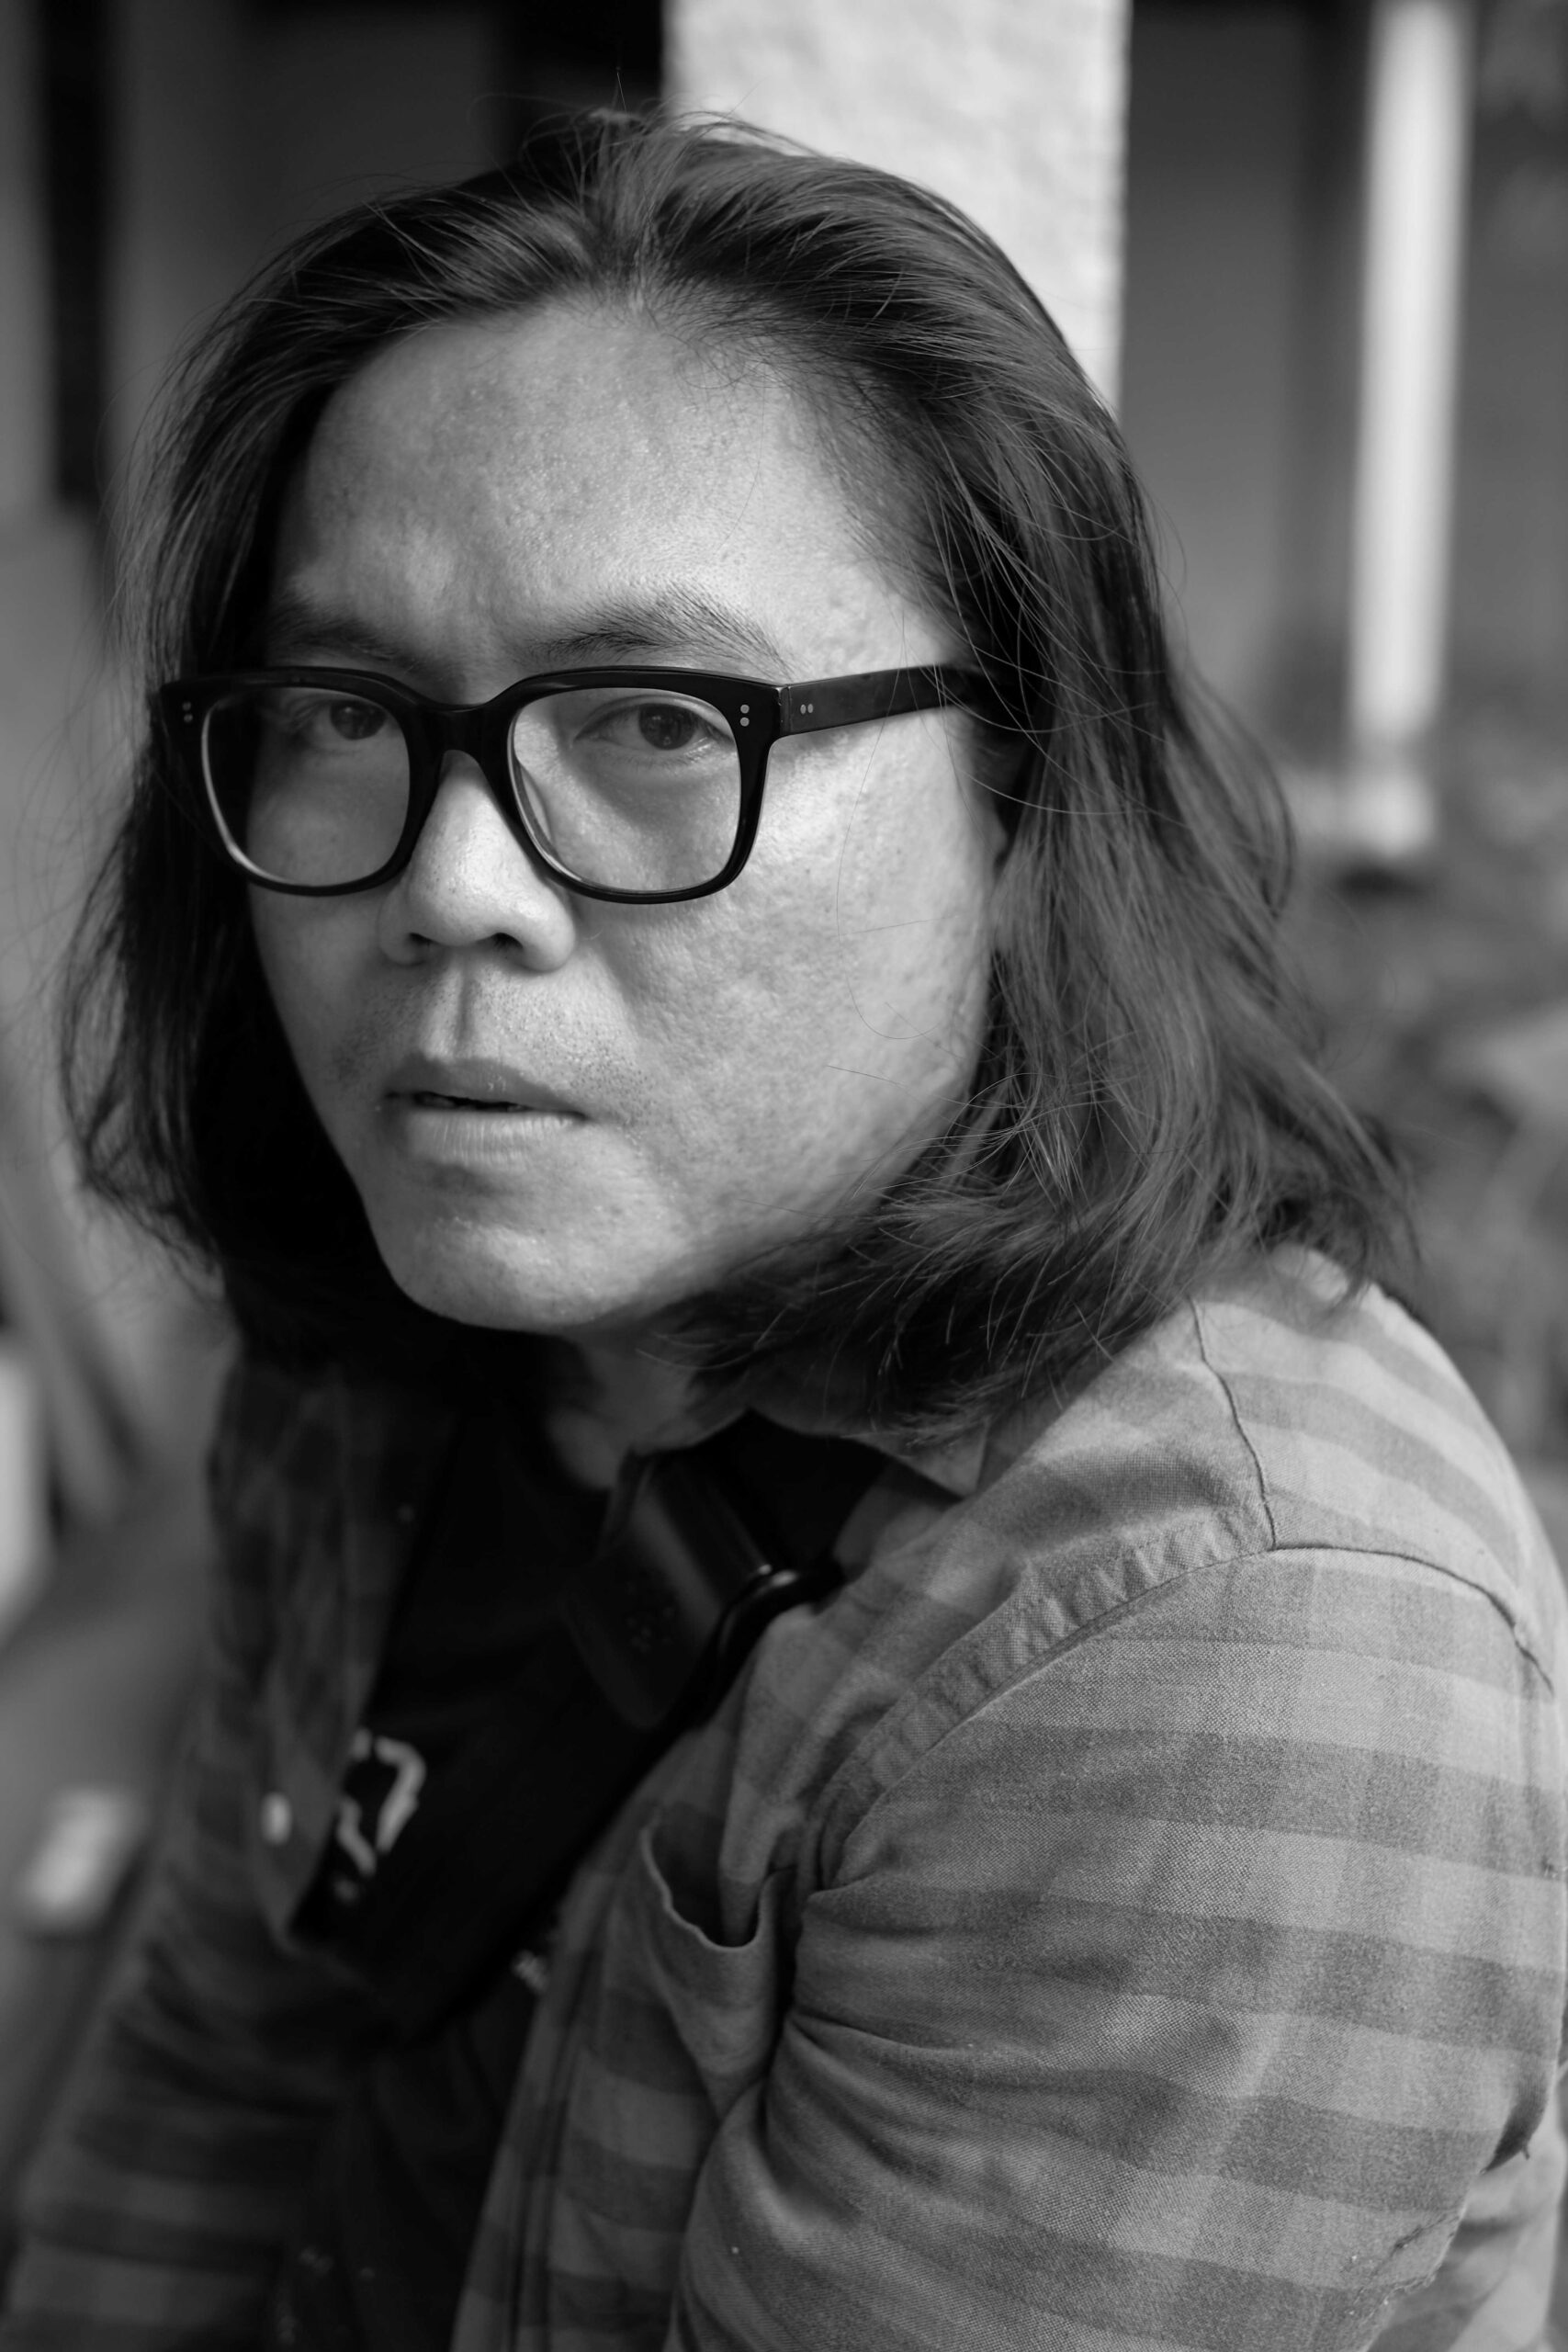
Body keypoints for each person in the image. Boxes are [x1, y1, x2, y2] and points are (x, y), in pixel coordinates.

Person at [3, 110, 1564, 2352]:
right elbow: (222, 2057)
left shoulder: (1227, 1646)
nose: (449, 882)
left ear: (1022, 796)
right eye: (346, 713)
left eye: (656, 719)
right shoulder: (389, 1349)